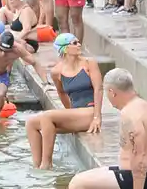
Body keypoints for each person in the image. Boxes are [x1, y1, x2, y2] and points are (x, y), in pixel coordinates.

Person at [27, 33, 104, 168]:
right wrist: (70, 114)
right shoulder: (57, 71)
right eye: (74, 43)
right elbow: (61, 93)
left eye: (78, 42)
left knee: (47, 116)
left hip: (90, 112)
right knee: (31, 123)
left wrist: (97, 117)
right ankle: (37, 165)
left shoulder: (89, 63)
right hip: (77, 113)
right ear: (65, 49)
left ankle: (47, 164)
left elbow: (98, 89)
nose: (79, 45)